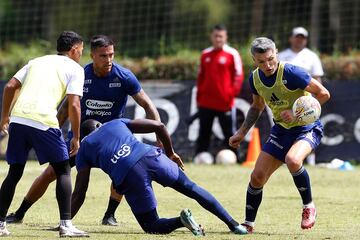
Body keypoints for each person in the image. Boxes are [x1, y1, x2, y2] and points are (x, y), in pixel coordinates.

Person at [6, 35, 161, 226]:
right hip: (80, 138)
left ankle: (109, 215)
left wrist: (160, 140)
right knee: (50, 173)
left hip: (113, 140)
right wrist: (56, 130)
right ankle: (20, 213)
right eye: (103, 55)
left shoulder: (124, 76)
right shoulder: (81, 73)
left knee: (122, 174)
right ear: (93, 55)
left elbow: (148, 105)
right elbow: (65, 109)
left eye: (111, 54)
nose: (109, 59)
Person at [71, 118, 249, 236]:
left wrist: (66, 221)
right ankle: (234, 224)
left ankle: (182, 221)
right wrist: (170, 153)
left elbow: (80, 192)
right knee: (193, 189)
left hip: (129, 174)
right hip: (151, 156)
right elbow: (159, 126)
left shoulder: (84, 149)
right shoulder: (115, 123)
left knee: (151, 225)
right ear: (99, 125)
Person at [229, 37, 330, 233]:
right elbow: (257, 107)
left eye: (271, 59)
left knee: (293, 160)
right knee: (257, 176)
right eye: (261, 61)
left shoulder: (292, 73)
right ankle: (248, 224)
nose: (267, 65)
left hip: (306, 128)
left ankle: (309, 206)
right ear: (254, 60)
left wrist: (296, 113)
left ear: (276, 53)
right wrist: (241, 133)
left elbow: (324, 94)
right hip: (281, 131)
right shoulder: (255, 79)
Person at [0, 31, 88, 237]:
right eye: (81, 51)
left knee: (14, 172)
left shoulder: (36, 61)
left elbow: (11, 86)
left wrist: (5, 117)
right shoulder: (75, 68)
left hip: (19, 120)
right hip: (43, 121)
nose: (80, 55)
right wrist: (75, 137)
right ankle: (66, 225)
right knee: (63, 170)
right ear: (74, 49)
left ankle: (0, 224)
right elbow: (74, 104)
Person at [195, 24, 244, 159]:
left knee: (229, 132)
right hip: (206, 102)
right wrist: (199, 98)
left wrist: (231, 94)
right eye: (216, 36)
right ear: (211, 37)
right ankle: (199, 157)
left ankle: (234, 158)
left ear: (225, 37)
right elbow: (200, 78)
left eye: (221, 36)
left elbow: (239, 75)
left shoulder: (232, 54)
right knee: (203, 132)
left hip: (225, 102)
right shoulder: (205, 54)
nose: (218, 39)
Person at [278, 26, 325, 165]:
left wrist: (314, 103)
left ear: (306, 40)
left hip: (306, 103)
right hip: (285, 101)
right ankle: (282, 158)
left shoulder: (311, 56)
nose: (299, 40)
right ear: (291, 38)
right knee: (284, 129)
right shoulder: (281, 56)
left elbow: (318, 80)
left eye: (302, 38)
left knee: (308, 130)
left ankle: (310, 160)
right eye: (297, 37)